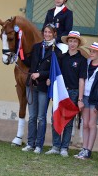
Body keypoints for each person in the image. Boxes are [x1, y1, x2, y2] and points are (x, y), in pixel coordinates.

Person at [45, 31, 87, 157]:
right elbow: (56, 75)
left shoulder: (82, 60)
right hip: (61, 92)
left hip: (73, 93)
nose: (72, 43)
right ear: (67, 42)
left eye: (75, 41)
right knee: (55, 118)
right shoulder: (62, 58)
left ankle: (64, 147)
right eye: (70, 41)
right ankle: (55, 146)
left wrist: (80, 99)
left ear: (78, 43)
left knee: (69, 121)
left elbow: (81, 80)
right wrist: (50, 81)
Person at [21, 24, 61, 154]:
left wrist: (41, 74)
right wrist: (19, 53)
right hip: (31, 85)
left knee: (41, 117)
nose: (47, 34)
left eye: (50, 32)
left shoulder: (57, 51)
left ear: (54, 34)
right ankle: (30, 143)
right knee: (32, 116)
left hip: (44, 86)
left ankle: (39, 145)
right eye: (45, 32)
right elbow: (30, 63)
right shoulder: (37, 46)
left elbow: (53, 70)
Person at [74, 42, 98, 159]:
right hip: (85, 96)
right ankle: (83, 149)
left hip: (95, 98)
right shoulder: (86, 63)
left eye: (94, 52)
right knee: (85, 124)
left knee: (91, 124)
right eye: (91, 51)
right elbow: (82, 79)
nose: (91, 53)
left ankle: (89, 150)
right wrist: (80, 98)